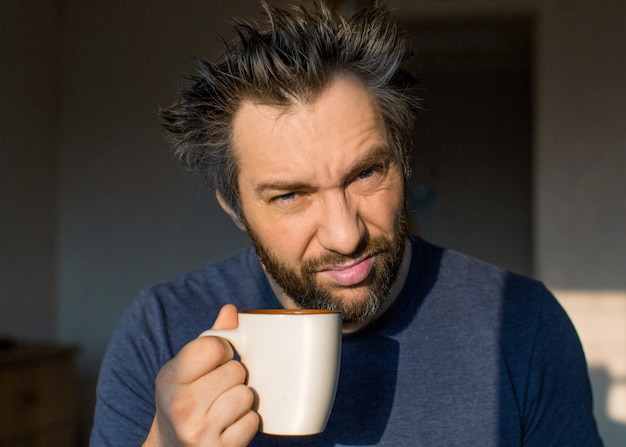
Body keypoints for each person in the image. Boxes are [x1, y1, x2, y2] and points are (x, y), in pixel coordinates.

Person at [90, 2, 603, 446]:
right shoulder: (160, 331)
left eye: (366, 173)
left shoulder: (524, 324)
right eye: (290, 195)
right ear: (232, 205)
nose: (345, 235)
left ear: (402, 161)